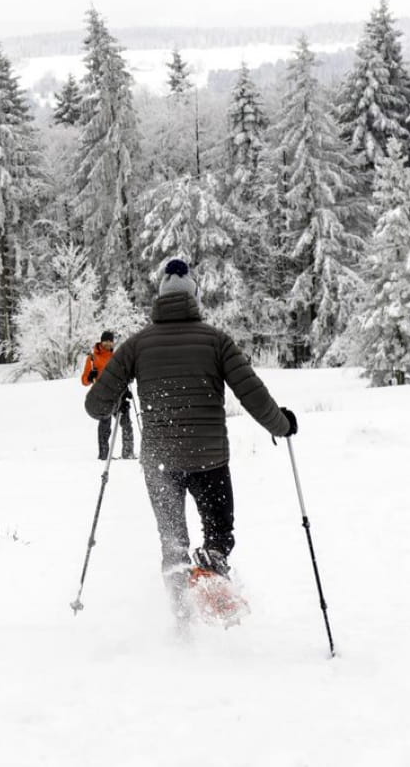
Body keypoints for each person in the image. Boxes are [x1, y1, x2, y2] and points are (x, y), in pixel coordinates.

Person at [84, 259, 297, 622]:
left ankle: (182, 618)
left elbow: (95, 405)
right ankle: (212, 566)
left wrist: (117, 394)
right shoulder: (216, 341)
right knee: (219, 530)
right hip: (209, 459)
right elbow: (252, 393)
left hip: (160, 463)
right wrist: (282, 425)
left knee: (173, 542)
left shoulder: (137, 346)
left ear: (160, 298)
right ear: (194, 296)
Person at [82, 330, 133, 460]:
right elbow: (84, 381)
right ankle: (104, 455)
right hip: (103, 397)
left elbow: (122, 376)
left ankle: (128, 453)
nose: (108, 343)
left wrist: (126, 390)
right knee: (105, 426)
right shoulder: (92, 358)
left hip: (118, 396)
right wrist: (89, 376)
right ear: (101, 341)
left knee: (126, 423)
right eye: (106, 341)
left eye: (111, 341)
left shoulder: (116, 357)